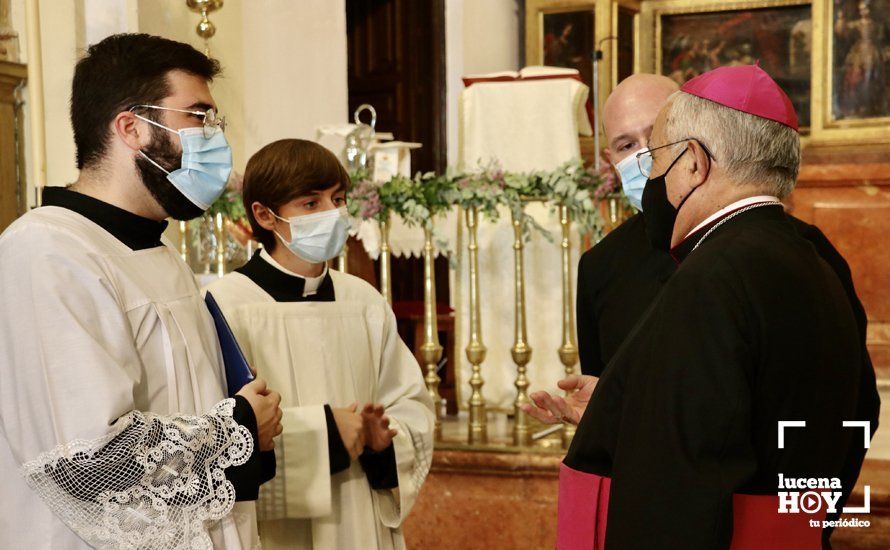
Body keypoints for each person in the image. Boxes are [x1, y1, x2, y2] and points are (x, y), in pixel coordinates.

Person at [525, 72, 878, 545]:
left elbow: (680, 473)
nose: (648, 174)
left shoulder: (710, 276)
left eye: (657, 156)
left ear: (692, 162)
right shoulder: (804, 258)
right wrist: (617, 407)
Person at [0, 34, 282, 549]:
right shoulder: (47, 251)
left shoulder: (161, 254)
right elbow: (88, 465)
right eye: (198, 117)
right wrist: (240, 427)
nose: (216, 138)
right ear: (130, 127)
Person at [204, 139, 435, 549]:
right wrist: (326, 432)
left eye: (338, 199)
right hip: (276, 533)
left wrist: (386, 442)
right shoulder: (227, 305)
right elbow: (222, 429)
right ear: (264, 215)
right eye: (311, 204)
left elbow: (411, 405)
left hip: (360, 516)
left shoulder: (363, 301)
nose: (332, 214)